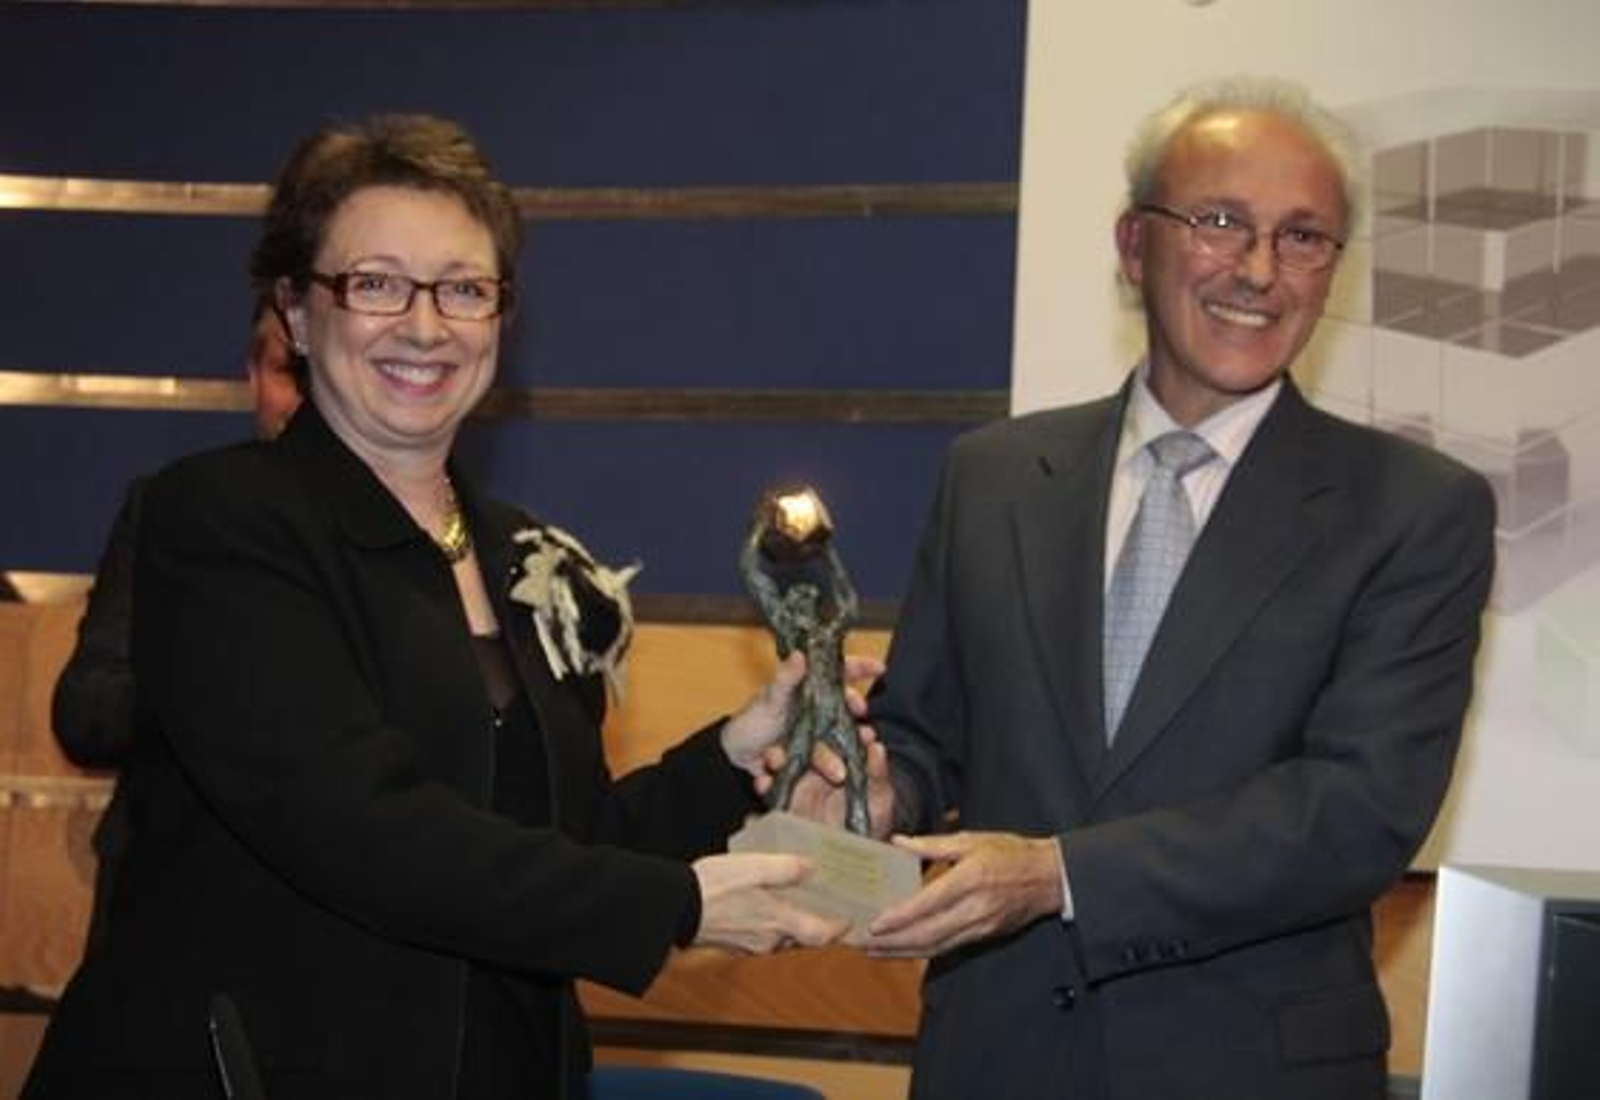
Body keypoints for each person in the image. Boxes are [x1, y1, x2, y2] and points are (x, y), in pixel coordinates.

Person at [25, 114, 848, 1100]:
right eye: (375, 283)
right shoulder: (219, 519)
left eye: (464, 288)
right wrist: (672, 904)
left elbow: (561, 838)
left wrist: (728, 760)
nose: (425, 325)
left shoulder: (523, 554)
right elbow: (355, 824)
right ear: (294, 308)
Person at [848, 77, 1497, 1100]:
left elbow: (1357, 810)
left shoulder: (1414, 510)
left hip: (1250, 1067)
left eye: (1303, 237)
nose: (1257, 269)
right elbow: (930, 731)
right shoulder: (995, 473)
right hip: (993, 1055)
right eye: (1220, 221)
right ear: (1131, 243)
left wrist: (1060, 874)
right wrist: (876, 786)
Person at [51, 297, 306, 952]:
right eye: (287, 371)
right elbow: (87, 710)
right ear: (253, 376)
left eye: (323, 374)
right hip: (163, 893)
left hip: (344, 912)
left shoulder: (434, 538)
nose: (307, 401)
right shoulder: (171, 511)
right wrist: (215, 688)